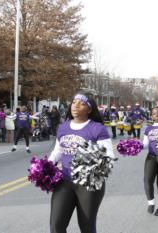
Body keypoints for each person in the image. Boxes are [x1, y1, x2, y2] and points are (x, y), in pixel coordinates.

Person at [48, 93, 114, 233]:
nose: (76, 105)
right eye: (74, 102)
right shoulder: (63, 127)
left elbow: (108, 156)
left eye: (81, 103)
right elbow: (58, 151)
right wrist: (47, 165)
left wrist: (89, 162)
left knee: (86, 227)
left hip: (88, 184)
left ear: (89, 109)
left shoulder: (97, 129)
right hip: (64, 181)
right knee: (56, 226)